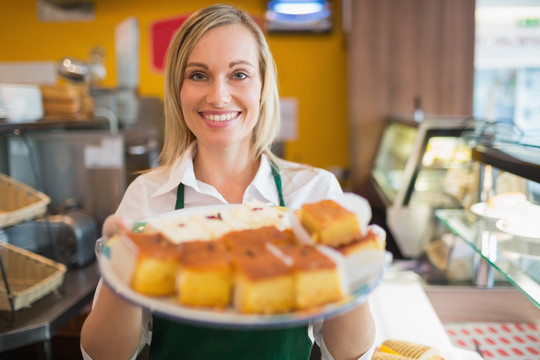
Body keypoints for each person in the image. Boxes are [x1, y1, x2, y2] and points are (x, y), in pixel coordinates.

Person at [80, 4, 376, 360]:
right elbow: (102, 356)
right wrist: (119, 272)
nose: (218, 96)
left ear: (264, 85)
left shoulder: (314, 194)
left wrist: (349, 262)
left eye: (239, 74)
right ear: (178, 88)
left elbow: (351, 355)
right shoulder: (147, 199)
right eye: (199, 75)